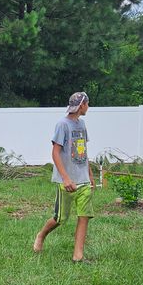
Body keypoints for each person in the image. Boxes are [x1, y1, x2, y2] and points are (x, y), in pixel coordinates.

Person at [33, 91, 95, 262]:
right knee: (60, 218)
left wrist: (90, 174)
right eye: (87, 104)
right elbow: (55, 153)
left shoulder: (82, 125)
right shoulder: (62, 125)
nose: (88, 107)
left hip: (83, 180)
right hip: (67, 181)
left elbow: (83, 152)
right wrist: (66, 178)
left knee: (84, 217)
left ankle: (78, 256)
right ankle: (41, 235)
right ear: (82, 105)